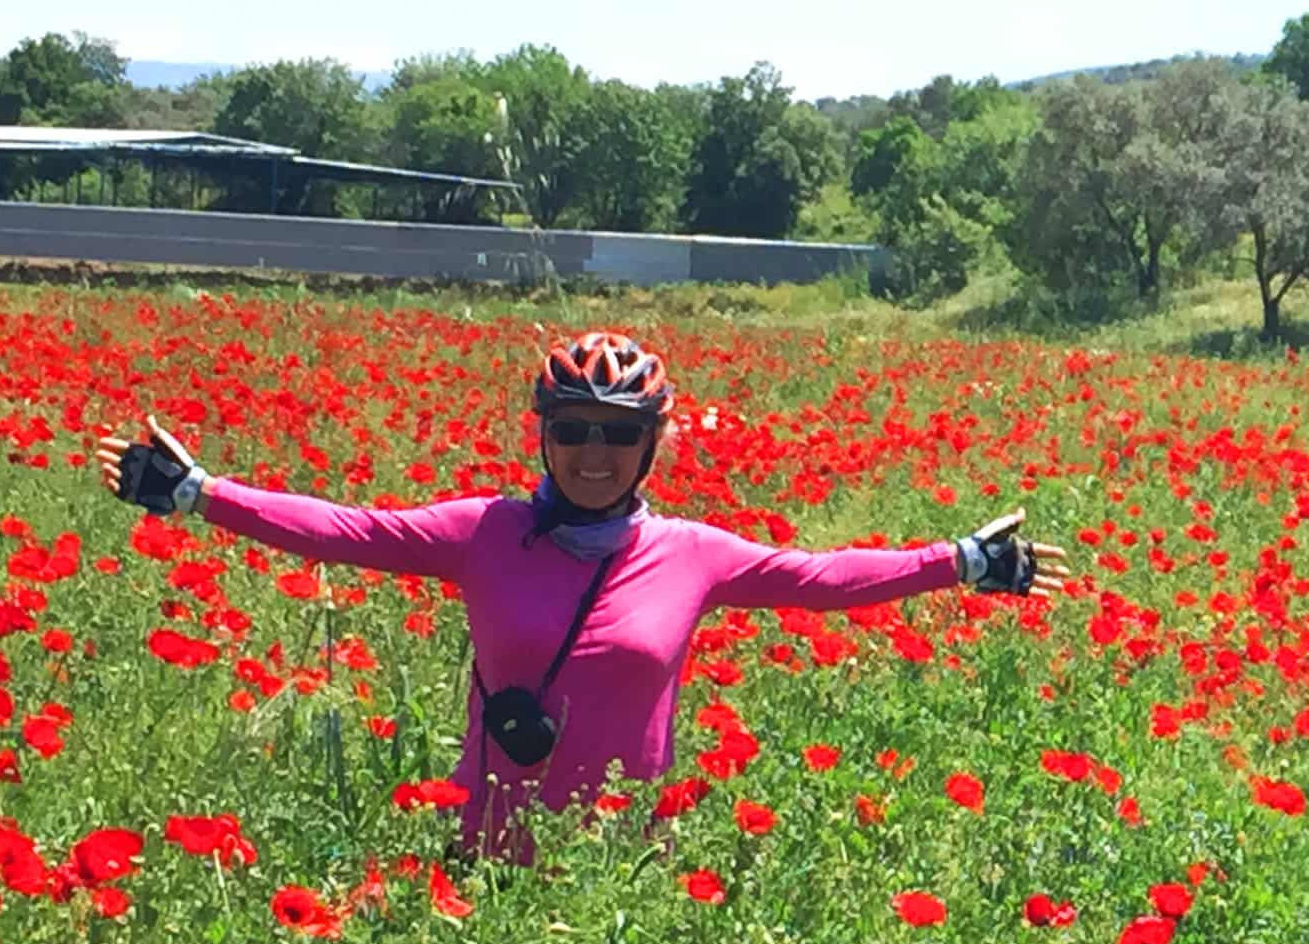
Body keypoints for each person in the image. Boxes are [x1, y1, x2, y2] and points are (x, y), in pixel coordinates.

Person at [95, 330, 1069, 860]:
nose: (594, 454)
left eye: (616, 433)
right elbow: (347, 528)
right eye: (575, 430)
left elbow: (819, 581)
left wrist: (962, 563)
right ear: (544, 437)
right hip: (484, 863)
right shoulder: (482, 534)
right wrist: (199, 495)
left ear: (651, 445)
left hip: (618, 872)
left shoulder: (694, 555)